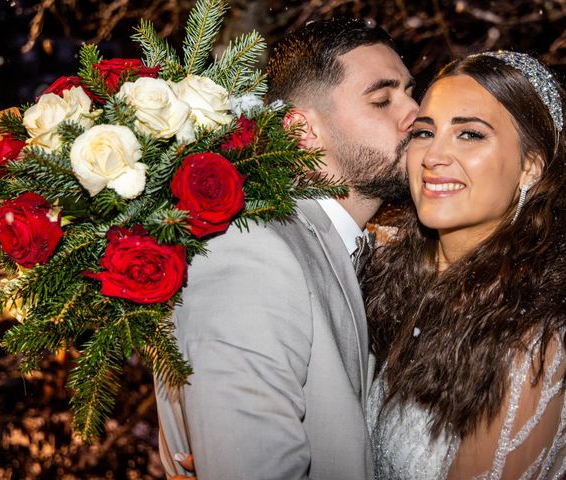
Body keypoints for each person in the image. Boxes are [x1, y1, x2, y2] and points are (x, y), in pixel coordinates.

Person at [155, 18, 418, 479]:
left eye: (410, 92)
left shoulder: (350, 248)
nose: (415, 112)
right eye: (382, 99)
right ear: (303, 132)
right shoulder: (253, 250)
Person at [363, 51, 566, 478]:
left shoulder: (532, 348)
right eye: (424, 132)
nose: (434, 156)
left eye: (469, 134)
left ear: (530, 167)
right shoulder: (394, 273)